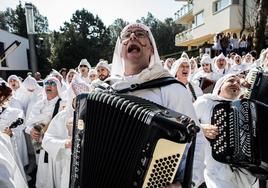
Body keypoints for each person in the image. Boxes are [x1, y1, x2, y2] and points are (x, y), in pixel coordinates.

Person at [109, 22, 200, 188]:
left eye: (140, 33)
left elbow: (195, 140)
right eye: (126, 35)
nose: (132, 37)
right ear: (119, 50)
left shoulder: (171, 89)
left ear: (151, 48)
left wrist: (185, 183)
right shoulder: (106, 91)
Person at [193, 74, 259, 188]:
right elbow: (184, 121)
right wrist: (201, 128)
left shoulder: (246, 109)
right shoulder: (205, 102)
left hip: (246, 174)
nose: (236, 84)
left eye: (238, 83)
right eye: (231, 81)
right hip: (216, 172)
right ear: (219, 86)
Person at [25, 76, 65, 188]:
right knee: (44, 174)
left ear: (58, 87)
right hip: (41, 146)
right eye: (46, 83)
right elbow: (28, 124)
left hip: (57, 147)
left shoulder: (63, 104)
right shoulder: (38, 104)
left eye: (52, 84)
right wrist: (31, 130)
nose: (48, 86)